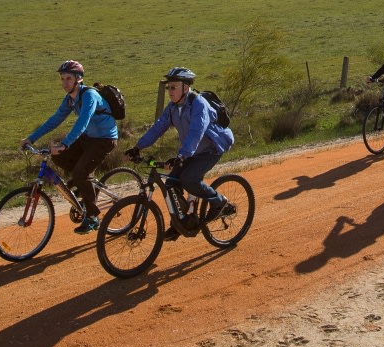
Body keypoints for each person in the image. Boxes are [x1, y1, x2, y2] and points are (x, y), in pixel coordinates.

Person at [127, 66, 234, 235]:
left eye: (173, 87)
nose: (170, 91)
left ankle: (220, 202)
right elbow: (158, 128)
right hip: (191, 150)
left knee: (189, 179)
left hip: (211, 148)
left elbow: (196, 132)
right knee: (171, 183)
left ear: (185, 87)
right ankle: (183, 222)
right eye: (168, 87)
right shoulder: (172, 107)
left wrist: (182, 156)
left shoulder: (199, 104)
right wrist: (138, 147)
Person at [19, 59, 119, 234]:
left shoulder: (89, 95)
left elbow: (83, 121)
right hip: (89, 138)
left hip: (104, 139)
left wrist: (65, 144)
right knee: (58, 157)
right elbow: (54, 120)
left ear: (78, 79)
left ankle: (92, 217)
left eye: (68, 79)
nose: (64, 83)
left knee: (80, 172)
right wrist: (31, 139)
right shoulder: (70, 100)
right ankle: (83, 182)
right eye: (62, 79)